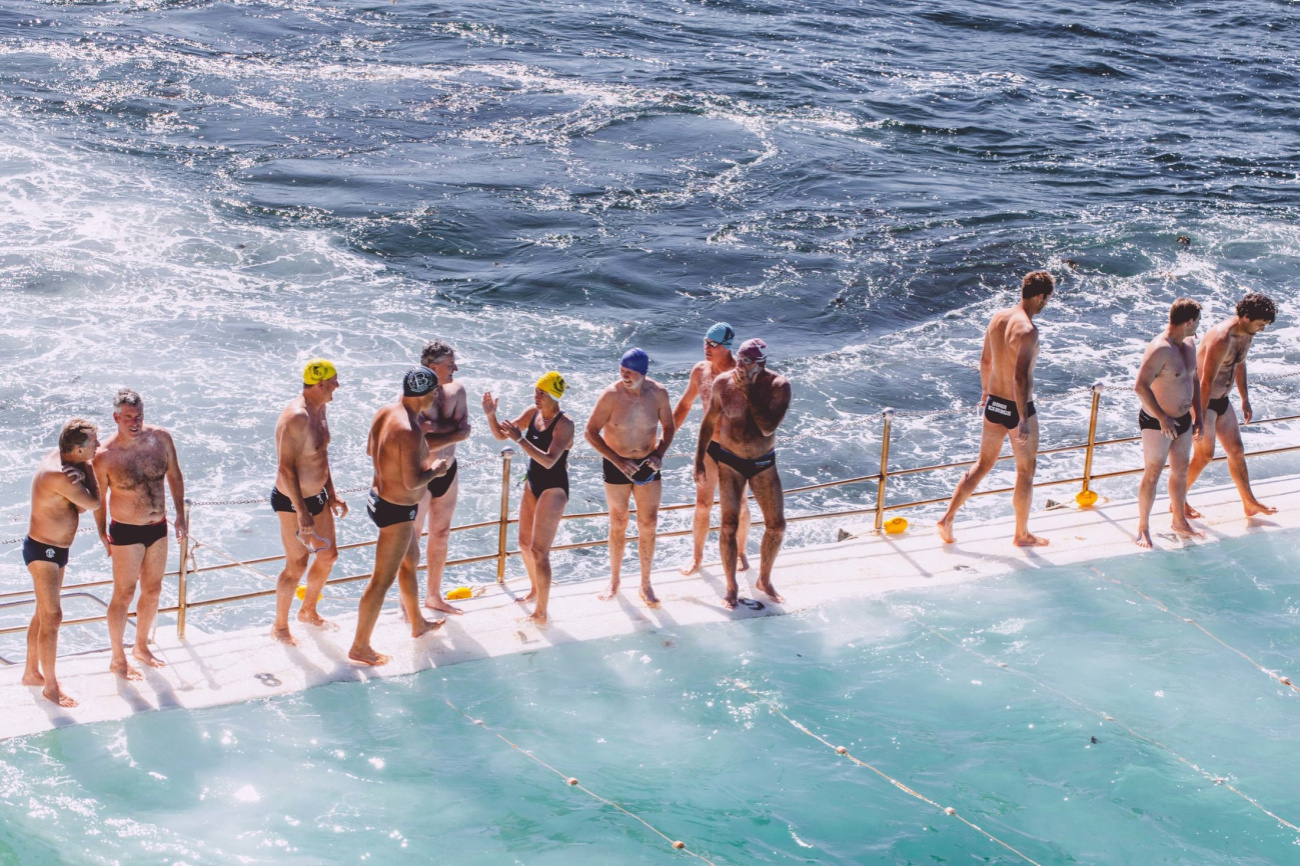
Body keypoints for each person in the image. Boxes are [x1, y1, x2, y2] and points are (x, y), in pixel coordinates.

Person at [936, 271, 1054, 547]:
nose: (1045, 303)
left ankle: (947, 519)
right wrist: (1023, 418)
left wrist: (986, 392)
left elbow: (986, 360)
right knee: (1026, 471)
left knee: (982, 464)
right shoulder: (1027, 330)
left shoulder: (998, 318)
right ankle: (1021, 534)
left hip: (994, 404)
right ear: (1040, 296)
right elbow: (1021, 377)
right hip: (1016, 407)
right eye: (1046, 298)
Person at [348, 368, 451, 666]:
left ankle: (417, 623)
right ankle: (360, 646)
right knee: (381, 580)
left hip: (378, 497)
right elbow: (412, 482)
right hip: (396, 510)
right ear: (426, 393)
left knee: (410, 560)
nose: (435, 397)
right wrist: (437, 469)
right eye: (434, 392)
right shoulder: (409, 429)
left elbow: (372, 450)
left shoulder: (385, 412)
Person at [94, 389, 186, 680]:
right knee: (124, 593)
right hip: (125, 532)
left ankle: (141, 646)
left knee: (154, 589)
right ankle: (117, 659)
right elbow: (100, 499)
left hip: (158, 527)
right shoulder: (105, 456)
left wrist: (181, 516)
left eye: (139, 416)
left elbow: (175, 475)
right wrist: (101, 533)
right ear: (116, 418)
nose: (134, 422)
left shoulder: (161, 439)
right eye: (128, 417)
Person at [695, 338, 791, 609]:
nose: (740, 366)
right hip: (730, 461)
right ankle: (731, 586)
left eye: (747, 362)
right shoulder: (723, 383)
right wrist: (698, 460)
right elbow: (708, 422)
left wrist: (748, 392)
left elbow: (767, 428)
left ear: (761, 364)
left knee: (777, 525)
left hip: (763, 463)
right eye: (738, 359)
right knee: (728, 525)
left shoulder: (778, 386)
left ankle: (764, 579)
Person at [584, 348, 676, 608]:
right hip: (617, 463)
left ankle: (645, 582)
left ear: (643, 374)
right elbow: (590, 432)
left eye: (630, 373)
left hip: (648, 463)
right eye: (622, 371)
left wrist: (659, 454)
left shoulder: (658, 393)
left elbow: (669, 427)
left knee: (648, 522)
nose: (624, 376)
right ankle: (614, 580)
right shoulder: (611, 395)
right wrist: (616, 459)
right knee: (619, 520)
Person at [482, 372, 574, 625]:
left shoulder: (565, 424)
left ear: (554, 396)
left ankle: (542, 611)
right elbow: (502, 435)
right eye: (536, 391)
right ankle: (534, 589)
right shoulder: (532, 413)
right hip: (532, 483)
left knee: (539, 551)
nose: (536, 396)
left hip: (554, 488)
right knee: (523, 543)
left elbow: (548, 460)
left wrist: (520, 439)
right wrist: (491, 414)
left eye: (541, 393)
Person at [22, 420, 101, 707]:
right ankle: (51, 687)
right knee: (53, 616)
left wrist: (81, 477)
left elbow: (79, 504)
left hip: (56, 550)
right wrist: (89, 471)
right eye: (95, 443)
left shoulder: (67, 463)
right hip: (44, 551)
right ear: (78, 449)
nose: (99, 446)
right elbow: (94, 504)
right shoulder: (61, 474)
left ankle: (32, 672)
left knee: (43, 612)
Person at [270, 359, 348, 645]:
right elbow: (285, 468)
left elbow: (320, 455)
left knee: (328, 556)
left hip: (318, 497)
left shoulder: (320, 409)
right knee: (296, 564)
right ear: (320, 384)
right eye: (334, 381)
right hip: (293, 502)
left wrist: (332, 491)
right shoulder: (297, 417)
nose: (338, 386)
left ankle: (308, 609)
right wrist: (302, 513)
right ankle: (279, 626)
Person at [1185, 293, 1280, 518]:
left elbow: (1240, 364)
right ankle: (1178, 501)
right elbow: (1205, 381)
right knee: (1204, 455)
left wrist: (1244, 398)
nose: (1262, 329)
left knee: (1236, 450)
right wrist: (1198, 417)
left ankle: (1249, 502)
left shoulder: (1247, 334)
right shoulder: (1222, 338)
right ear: (1246, 317)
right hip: (1202, 401)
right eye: (1260, 324)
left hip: (1222, 401)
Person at [672, 322, 751, 576]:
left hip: (736, 449)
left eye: (713, 344)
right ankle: (697, 557)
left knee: (738, 503)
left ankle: (741, 553)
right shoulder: (700, 371)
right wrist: (665, 438)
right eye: (705, 342)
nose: (706, 347)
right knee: (702, 503)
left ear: (726, 347)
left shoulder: (741, 373)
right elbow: (684, 405)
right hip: (709, 447)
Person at [1133, 299, 1206, 548]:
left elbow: (1193, 380)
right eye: (1197, 320)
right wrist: (1163, 418)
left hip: (1184, 419)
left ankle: (1179, 520)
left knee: (1181, 470)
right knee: (1152, 472)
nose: (1198, 325)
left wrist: (1199, 415)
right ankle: (1143, 527)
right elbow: (1140, 387)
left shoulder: (1189, 342)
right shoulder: (1160, 349)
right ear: (1189, 321)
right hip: (1157, 421)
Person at [414, 341, 472, 615]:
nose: (455, 369)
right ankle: (408, 601)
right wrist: (447, 431)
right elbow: (417, 437)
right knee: (412, 537)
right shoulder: (415, 392)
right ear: (432, 367)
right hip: (421, 473)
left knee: (441, 534)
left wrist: (435, 428)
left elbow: (465, 430)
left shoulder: (457, 390)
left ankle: (434, 596)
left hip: (448, 470)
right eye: (450, 365)